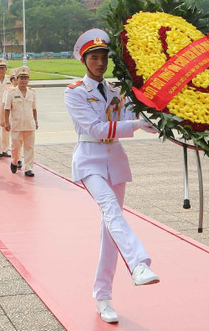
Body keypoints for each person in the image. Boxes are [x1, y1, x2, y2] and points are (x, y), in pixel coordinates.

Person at [65, 28, 158, 324]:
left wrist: (154, 117)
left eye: (104, 57)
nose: (100, 62)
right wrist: (137, 126)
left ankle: (102, 296)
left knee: (110, 230)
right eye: (94, 57)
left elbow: (132, 117)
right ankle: (139, 263)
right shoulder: (75, 92)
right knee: (111, 210)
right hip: (89, 161)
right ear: (84, 60)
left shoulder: (117, 90)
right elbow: (95, 129)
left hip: (115, 162)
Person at [3, 66, 38, 177]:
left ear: (28, 80)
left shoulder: (32, 92)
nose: (23, 80)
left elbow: (34, 108)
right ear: (17, 80)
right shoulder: (11, 93)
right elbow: (7, 109)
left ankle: (29, 168)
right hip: (17, 125)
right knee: (16, 147)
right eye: (21, 78)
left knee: (29, 147)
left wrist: (36, 121)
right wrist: (7, 122)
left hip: (29, 124)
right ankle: (14, 161)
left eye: (25, 78)